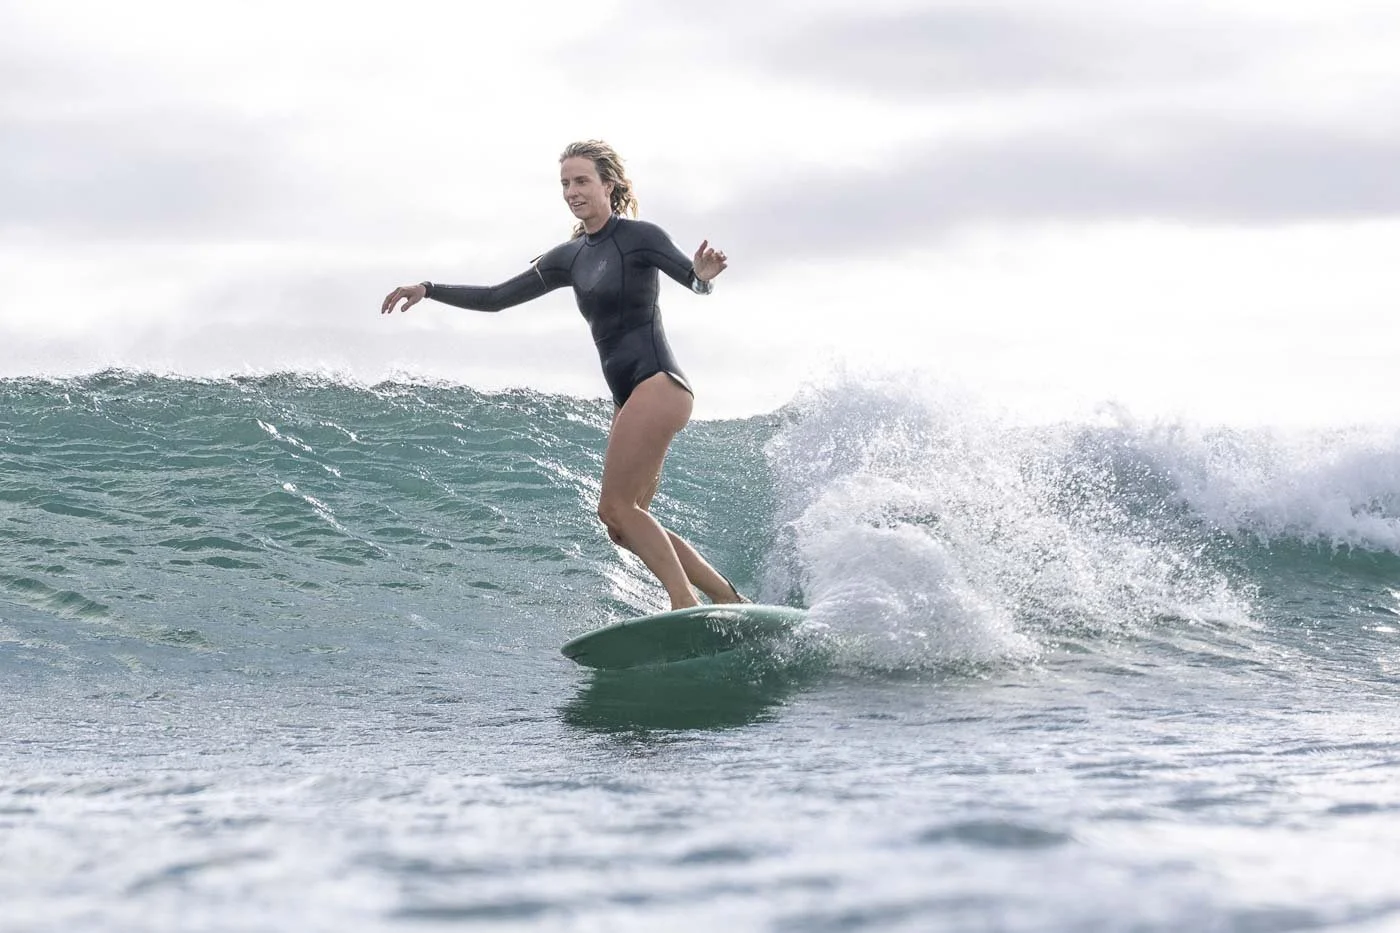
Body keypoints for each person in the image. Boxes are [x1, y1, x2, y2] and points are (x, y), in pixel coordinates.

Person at [381, 140, 746, 611]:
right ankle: (726, 597)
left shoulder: (640, 236)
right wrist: (429, 289)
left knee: (616, 508)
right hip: (629, 396)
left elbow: (693, 280)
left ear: (609, 185)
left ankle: (684, 603)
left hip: (659, 383)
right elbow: (496, 297)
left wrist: (702, 275)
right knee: (624, 525)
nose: (572, 191)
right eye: (565, 184)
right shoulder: (568, 257)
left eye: (581, 181)